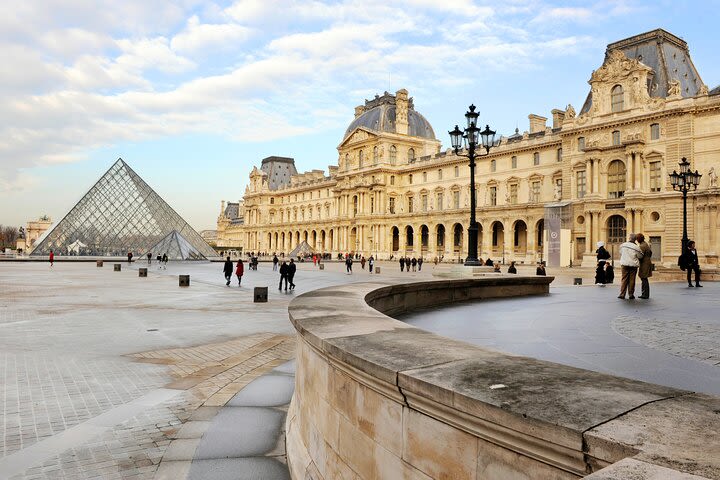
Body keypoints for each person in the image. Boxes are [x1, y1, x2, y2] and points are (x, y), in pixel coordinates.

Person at [618, 233, 643, 300]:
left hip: (624, 264)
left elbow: (620, 252)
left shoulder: (623, 245)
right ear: (635, 239)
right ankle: (631, 294)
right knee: (632, 280)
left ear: (629, 238)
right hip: (633, 265)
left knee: (624, 279)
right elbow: (640, 256)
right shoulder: (636, 247)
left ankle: (622, 294)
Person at [636, 233, 652, 299]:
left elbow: (640, 256)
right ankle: (645, 294)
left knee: (644, 278)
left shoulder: (642, 246)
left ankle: (645, 294)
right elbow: (650, 253)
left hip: (644, 264)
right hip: (647, 262)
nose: (637, 240)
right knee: (644, 279)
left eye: (637, 239)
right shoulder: (645, 244)